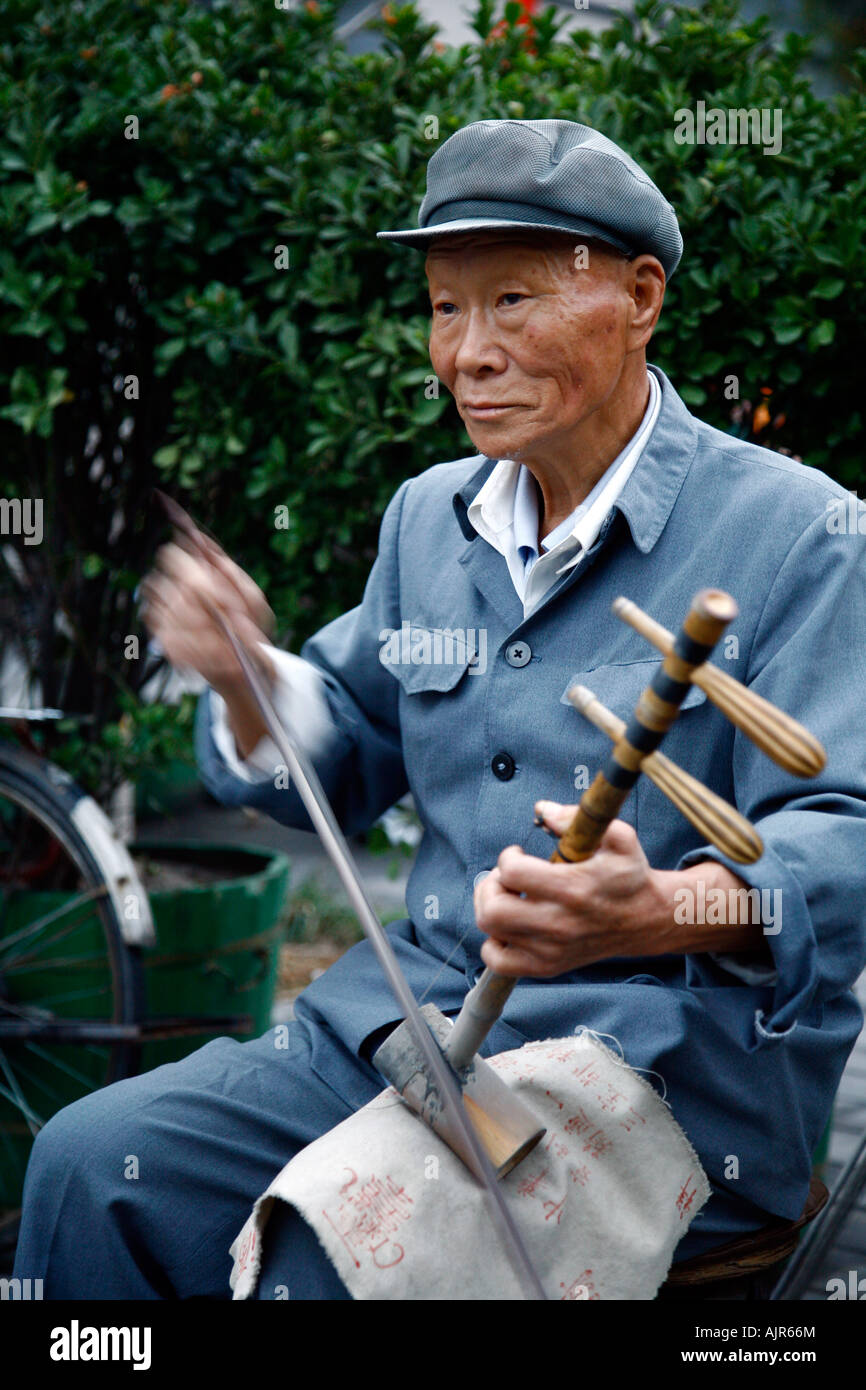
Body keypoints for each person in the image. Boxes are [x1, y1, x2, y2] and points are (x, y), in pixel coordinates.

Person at [14, 119, 866, 1300]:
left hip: (655, 1072)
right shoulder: (432, 516)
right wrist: (242, 677)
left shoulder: (796, 534)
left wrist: (656, 907)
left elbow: (847, 837)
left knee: (325, 1266)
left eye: (511, 300)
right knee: (89, 1167)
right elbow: (345, 752)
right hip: (409, 1025)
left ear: (637, 297)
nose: (464, 353)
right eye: (441, 308)